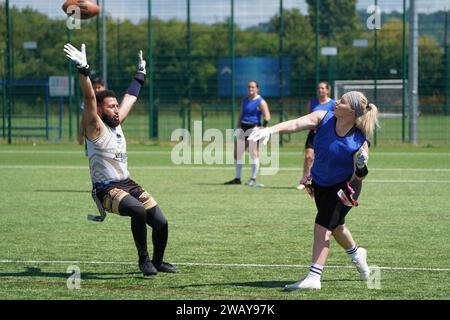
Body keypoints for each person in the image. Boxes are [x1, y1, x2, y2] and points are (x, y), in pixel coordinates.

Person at [64, 43, 178, 276]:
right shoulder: (95, 126)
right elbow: (88, 97)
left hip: (127, 183)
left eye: (117, 106)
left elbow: (131, 97)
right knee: (137, 210)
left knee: (161, 222)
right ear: (100, 110)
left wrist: (140, 74)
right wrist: (83, 70)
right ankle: (143, 260)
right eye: (111, 106)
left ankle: (158, 261)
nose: (117, 110)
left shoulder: (117, 122)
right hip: (105, 189)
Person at [249, 91, 378, 290]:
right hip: (320, 183)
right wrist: (269, 131)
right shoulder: (323, 117)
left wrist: (361, 165)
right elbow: (295, 124)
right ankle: (357, 254)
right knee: (336, 227)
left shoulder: (359, 140)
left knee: (322, 227)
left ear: (351, 111)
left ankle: (313, 277)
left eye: (342, 101)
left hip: (344, 190)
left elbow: (359, 176)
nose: (336, 102)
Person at [224, 80, 271, 187]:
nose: (251, 89)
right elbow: (241, 113)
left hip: (253, 128)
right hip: (243, 128)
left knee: (253, 153)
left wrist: (261, 128)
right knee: (237, 154)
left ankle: (253, 179)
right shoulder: (245, 100)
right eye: (249, 87)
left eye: (253, 87)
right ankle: (237, 178)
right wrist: (237, 126)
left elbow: (267, 116)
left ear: (257, 89)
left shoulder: (260, 101)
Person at [297, 81, 335, 190]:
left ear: (327, 90)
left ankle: (325, 181)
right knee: (308, 157)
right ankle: (304, 181)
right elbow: (308, 117)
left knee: (325, 159)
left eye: (322, 88)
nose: (320, 90)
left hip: (327, 136)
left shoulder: (333, 104)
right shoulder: (312, 101)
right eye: (318, 88)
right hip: (313, 134)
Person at [78, 77, 105, 147]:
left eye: (99, 87)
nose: (97, 90)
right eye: (94, 87)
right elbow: (84, 119)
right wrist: (81, 134)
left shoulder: (108, 101)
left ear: (104, 87)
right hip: (91, 134)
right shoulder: (88, 102)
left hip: (106, 134)